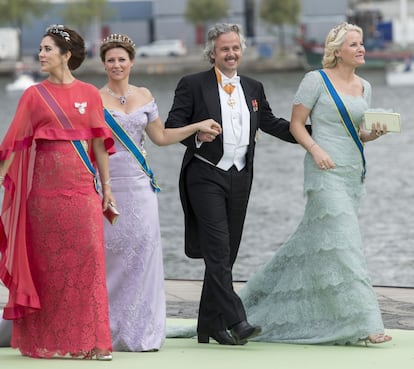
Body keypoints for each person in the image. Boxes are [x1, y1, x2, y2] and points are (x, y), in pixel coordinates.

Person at [238, 22, 392, 345]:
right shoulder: (315, 81)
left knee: (311, 246)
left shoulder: (365, 87)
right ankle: (364, 323)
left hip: (352, 174)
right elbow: (296, 125)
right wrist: (315, 149)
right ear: (337, 52)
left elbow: (358, 133)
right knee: (346, 244)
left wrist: (372, 135)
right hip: (323, 173)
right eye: (354, 44)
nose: (361, 48)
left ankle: (249, 304)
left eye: (361, 43)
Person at [164, 23, 302, 346]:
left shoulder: (253, 87)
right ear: (212, 52)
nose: (231, 54)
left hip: (240, 176)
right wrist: (197, 133)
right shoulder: (193, 84)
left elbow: (272, 123)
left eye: (235, 48)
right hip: (206, 174)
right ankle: (236, 320)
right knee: (217, 251)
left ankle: (208, 326)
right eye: (225, 49)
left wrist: (311, 133)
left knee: (227, 256)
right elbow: (173, 125)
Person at [99, 33, 222, 351]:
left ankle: (141, 332)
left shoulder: (144, 95)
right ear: (103, 64)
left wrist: (196, 126)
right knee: (110, 259)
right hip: (107, 188)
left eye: (121, 59)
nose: (116, 64)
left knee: (144, 259)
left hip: (141, 189)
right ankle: (108, 328)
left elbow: (162, 137)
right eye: (110, 60)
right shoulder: (93, 98)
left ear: (131, 62)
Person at [0, 25, 115, 359]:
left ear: (67, 55)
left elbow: (99, 145)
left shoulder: (91, 93)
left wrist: (107, 190)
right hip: (44, 198)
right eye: (40, 49)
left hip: (82, 193)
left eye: (48, 49)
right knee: (48, 269)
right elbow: (11, 146)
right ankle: (51, 341)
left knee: (90, 263)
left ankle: (92, 342)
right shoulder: (33, 96)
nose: (41, 54)